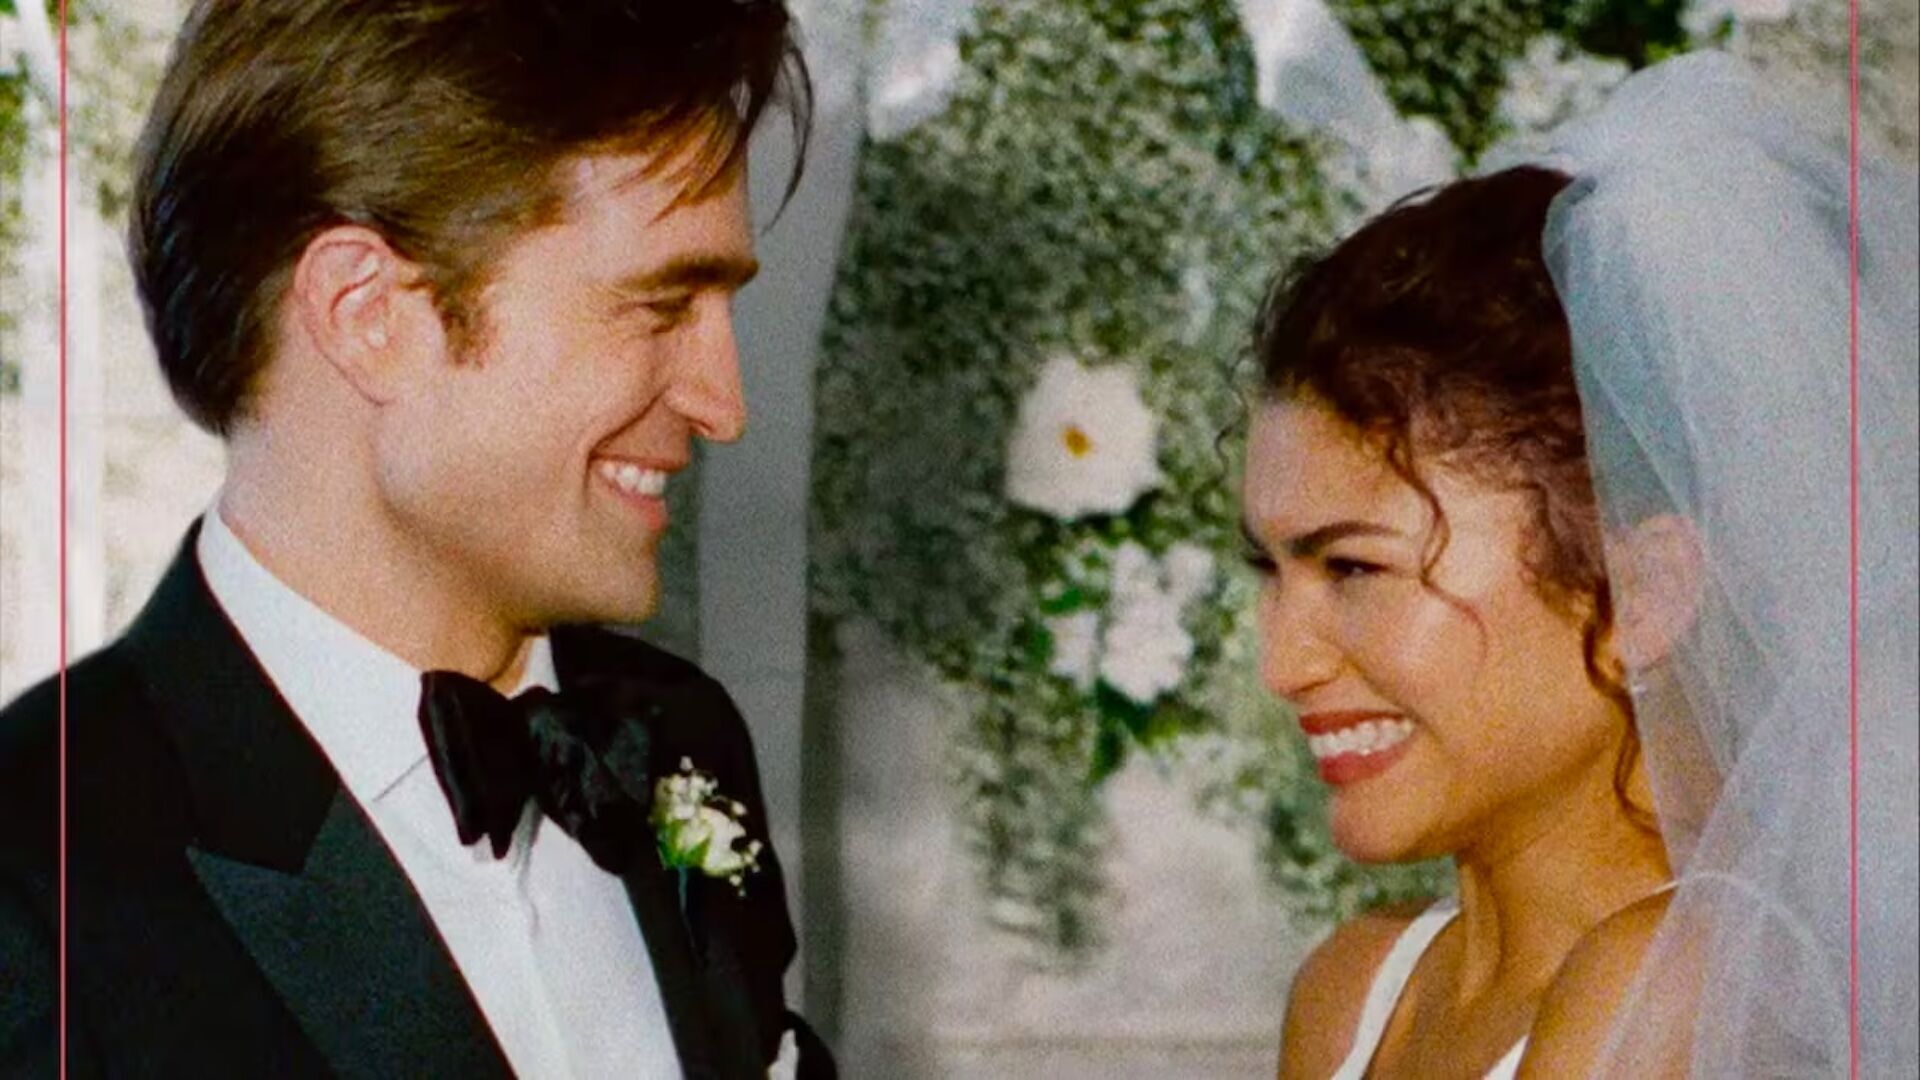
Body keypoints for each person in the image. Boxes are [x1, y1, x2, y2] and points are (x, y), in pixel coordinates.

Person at [0, 2, 836, 1077]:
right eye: (660, 306)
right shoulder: (34, 888)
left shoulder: (678, 739)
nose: (725, 406)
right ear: (368, 314)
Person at [1243, 53, 1916, 1078]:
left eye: (1354, 569)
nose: (1284, 665)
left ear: (1644, 588)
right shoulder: (1357, 991)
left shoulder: (1684, 988)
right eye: (1270, 572)